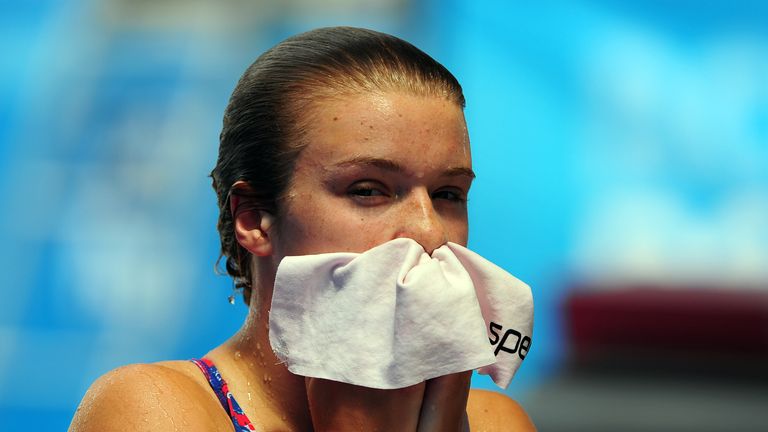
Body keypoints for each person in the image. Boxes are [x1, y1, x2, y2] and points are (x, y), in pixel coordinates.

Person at [69, 26, 536, 431]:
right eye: (368, 190)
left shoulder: (499, 422)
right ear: (254, 219)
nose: (429, 231)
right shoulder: (154, 409)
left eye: (447, 194)